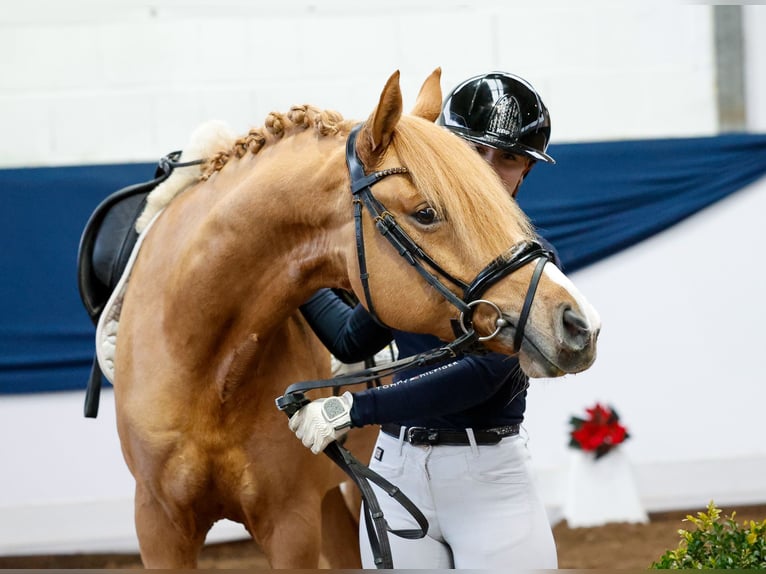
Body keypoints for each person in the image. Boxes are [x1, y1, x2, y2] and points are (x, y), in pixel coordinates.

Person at [289, 72, 560, 569]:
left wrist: (356, 409)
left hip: (489, 479)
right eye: (472, 151)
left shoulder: (532, 263)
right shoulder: (415, 251)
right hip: (397, 469)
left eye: (508, 158)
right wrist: (292, 274)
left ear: (526, 171)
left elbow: (485, 372)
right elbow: (352, 340)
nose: (487, 169)